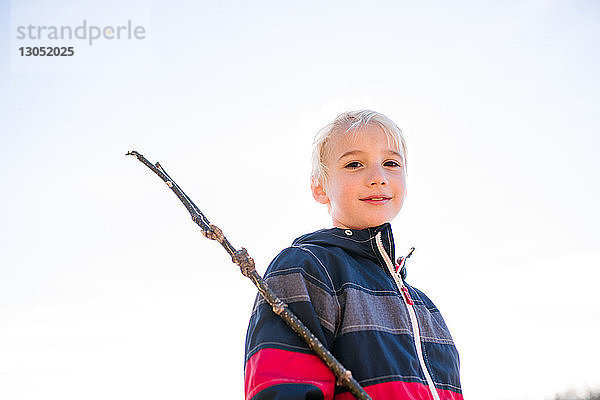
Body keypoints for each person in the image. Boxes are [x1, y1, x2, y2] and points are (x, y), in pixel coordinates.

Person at [244, 110, 462, 400]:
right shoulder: (305, 268)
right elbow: (283, 388)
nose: (378, 177)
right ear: (319, 187)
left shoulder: (427, 310)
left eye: (391, 163)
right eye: (355, 164)